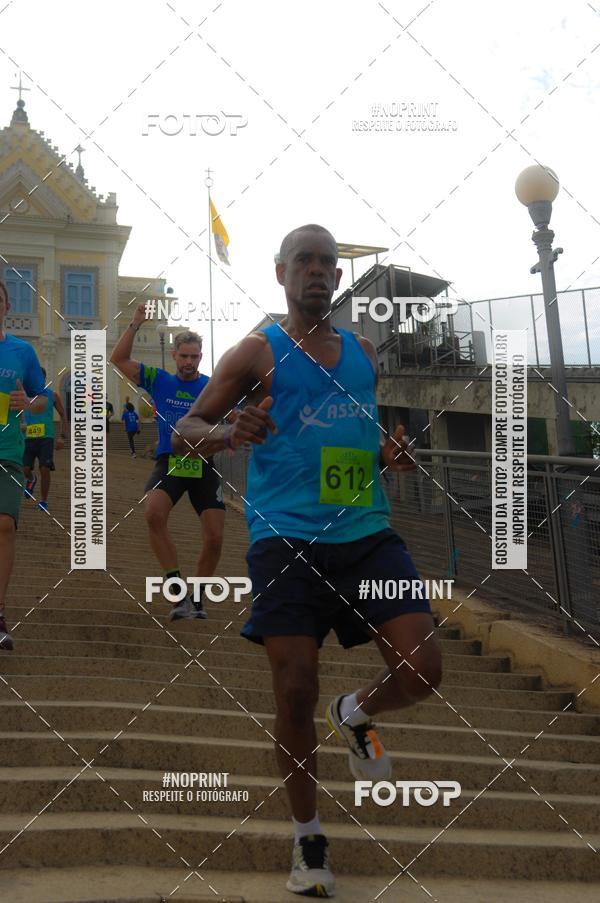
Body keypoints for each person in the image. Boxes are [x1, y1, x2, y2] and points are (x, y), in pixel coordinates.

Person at [174, 224, 442, 898]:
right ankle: (308, 835)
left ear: (338, 278)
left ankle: (356, 712)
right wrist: (229, 429)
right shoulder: (256, 351)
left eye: (327, 262)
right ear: (281, 273)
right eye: (305, 261)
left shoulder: (363, 354)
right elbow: (184, 432)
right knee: (294, 688)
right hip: (284, 538)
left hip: (366, 533)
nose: (317, 271)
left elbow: (361, 437)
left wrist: (391, 454)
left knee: (423, 669)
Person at [110, 305, 225, 621]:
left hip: (203, 465)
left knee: (215, 536)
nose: (189, 362)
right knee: (153, 513)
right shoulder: (158, 380)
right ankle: (177, 590)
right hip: (171, 462)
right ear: (174, 356)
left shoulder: (213, 387)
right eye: (184, 356)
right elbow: (117, 360)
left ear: (201, 357)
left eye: (195, 357)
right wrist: (135, 323)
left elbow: (237, 413)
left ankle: (197, 598)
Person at [0, 277, 47, 650]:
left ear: (6, 308)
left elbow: (43, 398)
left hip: (7, 451)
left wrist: (28, 404)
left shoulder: (22, 352)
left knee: (4, 526)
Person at [22, 368, 68, 511]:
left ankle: (43, 500)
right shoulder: (25, 395)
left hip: (46, 438)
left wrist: (62, 436)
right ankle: (31, 479)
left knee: (45, 469)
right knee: (25, 469)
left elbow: (63, 414)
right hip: (28, 438)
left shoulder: (52, 395)